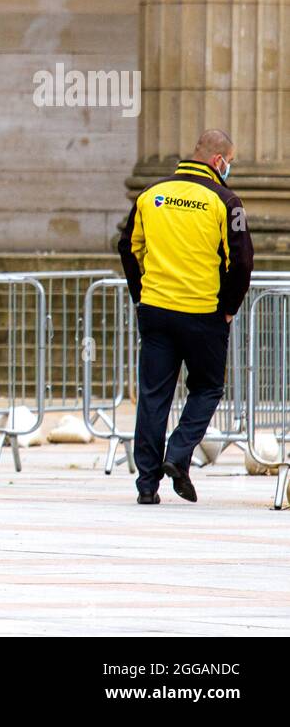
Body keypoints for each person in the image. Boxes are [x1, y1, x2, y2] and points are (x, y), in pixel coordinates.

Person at [118, 129, 253, 505]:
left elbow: (128, 247)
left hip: (157, 311)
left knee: (153, 396)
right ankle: (177, 455)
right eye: (230, 160)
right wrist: (230, 306)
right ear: (218, 160)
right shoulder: (225, 201)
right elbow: (241, 261)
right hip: (203, 313)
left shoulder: (152, 195)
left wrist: (140, 295)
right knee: (207, 388)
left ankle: (147, 485)